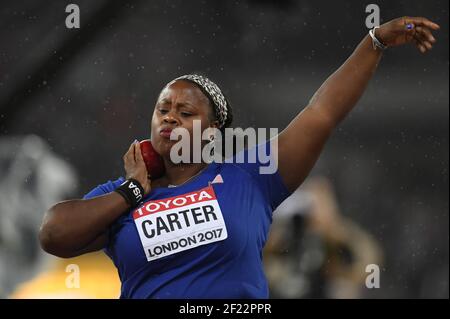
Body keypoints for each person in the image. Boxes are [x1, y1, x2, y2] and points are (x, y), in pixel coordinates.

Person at [39, 17, 440, 298]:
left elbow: (322, 113)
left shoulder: (250, 177)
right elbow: (53, 234)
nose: (169, 119)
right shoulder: (124, 196)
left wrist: (376, 42)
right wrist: (130, 192)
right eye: (163, 109)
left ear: (211, 133)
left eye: (185, 113)